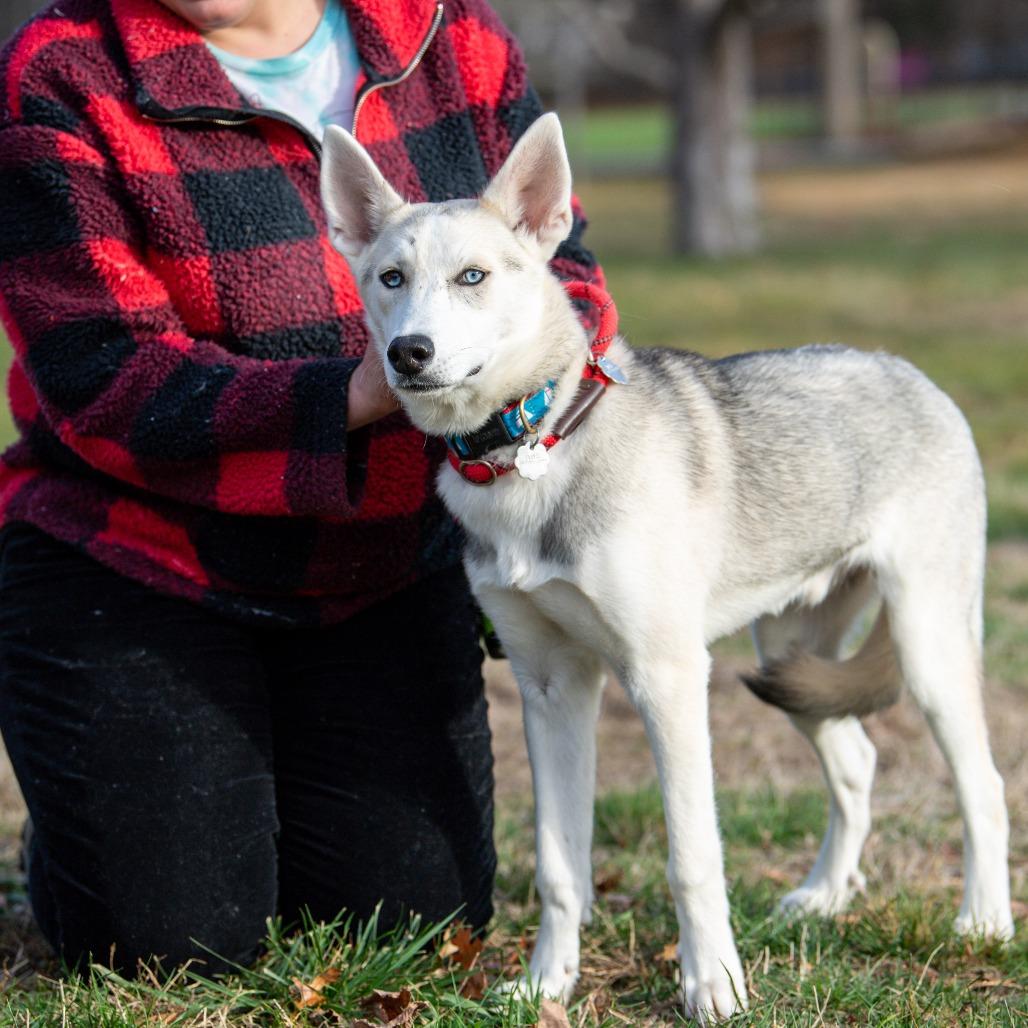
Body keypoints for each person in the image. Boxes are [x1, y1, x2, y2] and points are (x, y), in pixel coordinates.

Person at [0, 0, 604, 974]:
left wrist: (510, 386)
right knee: (171, 939)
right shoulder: (65, 70)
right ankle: (90, 803)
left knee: (411, 927)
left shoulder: (446, 36)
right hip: (140, 559)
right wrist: (354, 394)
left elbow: (563, 272)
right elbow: (102, 375)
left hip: (376, 563)